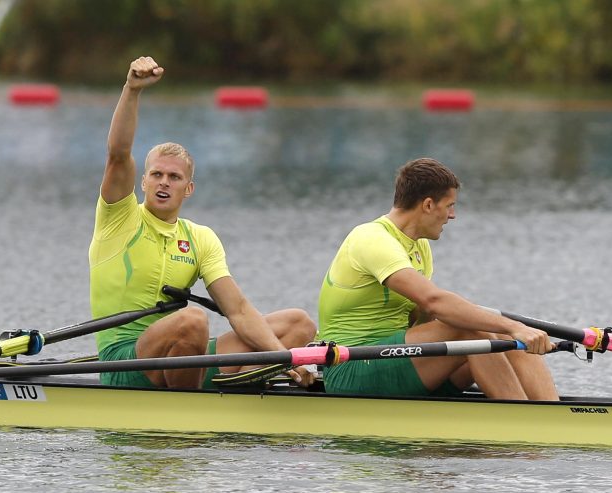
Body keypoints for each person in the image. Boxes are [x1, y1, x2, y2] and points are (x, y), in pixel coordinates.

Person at [90, 56, 316, 389]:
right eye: (157, 175)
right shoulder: (120, 217)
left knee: (298, 324)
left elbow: (237, 310)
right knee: (193, 320)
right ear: (143, 182)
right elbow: (119, 154)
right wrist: (132, 89)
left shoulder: (200, 238)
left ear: (189, 188)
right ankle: (192, 416)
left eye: (174, 177)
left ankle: (236, 399)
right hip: (125, 359)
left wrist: (286, 358)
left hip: (179, 355)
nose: (164, 182)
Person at [317, 158, 559, 400]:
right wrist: (513, 325)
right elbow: (433, 300)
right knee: (476, 331)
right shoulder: (371, 239)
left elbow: (424, 316)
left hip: (394, 361)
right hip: (350, 368)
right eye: (450, 205)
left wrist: (509, 331)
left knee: (506, 339)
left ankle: (554, 418)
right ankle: (522, 423)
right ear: (429, 205)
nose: (452, 215)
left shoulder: (419, 246)